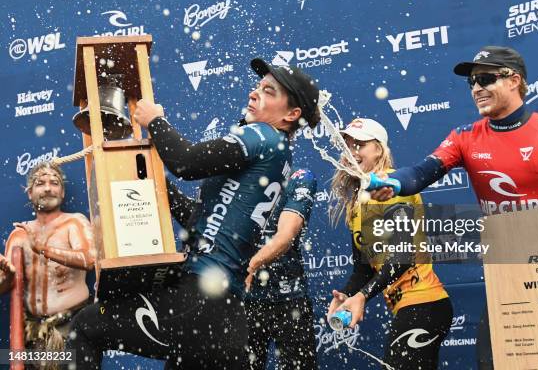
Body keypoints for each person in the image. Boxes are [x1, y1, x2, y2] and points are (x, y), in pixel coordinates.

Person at [67, 58, 321, 369]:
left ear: (292, 114)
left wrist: (155, 121)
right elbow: (197, 220)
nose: (255, 94)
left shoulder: (263, 136)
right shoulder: (278, 155)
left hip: (200, 305)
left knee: (85, 328)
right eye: (257, 87)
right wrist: (151, 176)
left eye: (269, 91)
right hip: (225, 320)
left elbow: (187, 161)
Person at [370, 46, 538, 369]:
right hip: (506, 286)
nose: (476, 88)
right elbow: (422, 172)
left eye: (485, 78)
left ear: (514, 80)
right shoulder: (465, 138)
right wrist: (393, 183)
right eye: (471, 82)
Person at [327, 118, 453, 370]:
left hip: (425, 303)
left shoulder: (393, 186)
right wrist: (346, 295)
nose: (352, 152)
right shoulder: (357, 203)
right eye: (348, 145)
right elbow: (362, 270)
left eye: (359, 144)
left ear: (378, 149)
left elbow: (404, 256)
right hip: (407, 308)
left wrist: (363, 296)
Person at [0, 162, 94, 368]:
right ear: (29, 193)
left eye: (54, 182)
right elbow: (5, 287)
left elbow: (89, 259)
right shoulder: (19, 234)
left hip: (73, 326)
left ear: (62, 192)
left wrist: (42, 248)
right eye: (40, 183)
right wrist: (5, 276)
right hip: (34, 332)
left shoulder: (74, 222)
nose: (48, 188)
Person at [244, 167, 318, 370]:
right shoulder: (233, 181)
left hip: (290, 300)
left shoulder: (300, 177)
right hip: (243, 302)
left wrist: (251, 266)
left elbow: (286, 236)